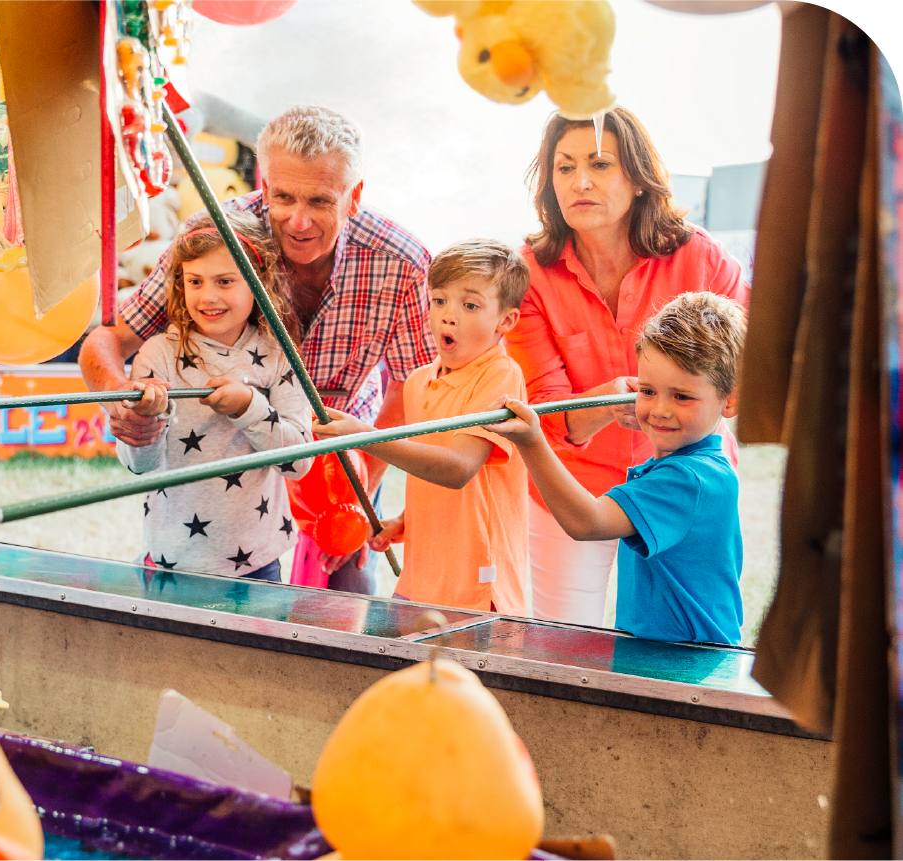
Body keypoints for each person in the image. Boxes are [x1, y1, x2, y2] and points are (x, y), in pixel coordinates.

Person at [82, 105, 434, 594]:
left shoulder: (403, 261)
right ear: (263, 187)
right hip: (234, 452)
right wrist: (121, 399)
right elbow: (107, 339)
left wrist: (359, 496)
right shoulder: (214, 236)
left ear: (354, 196)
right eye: (284, 196)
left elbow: (411, 388)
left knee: (345, 592)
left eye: (320, 200)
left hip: (333, 449)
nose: (298, 219)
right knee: (204, 585)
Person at [506, 106, 750, 626]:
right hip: (572, 488)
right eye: (565, 167)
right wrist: (602, 404)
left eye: (599, 164)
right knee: (562, 647)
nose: (580, 182)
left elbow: (741, 373)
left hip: (683, 479)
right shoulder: (528, 272)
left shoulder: (701, 258)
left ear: (638, 178)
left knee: (680, 638)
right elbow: (546, 411)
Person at [485, 293, 746, 645]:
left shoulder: (689, 479)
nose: (660, 410)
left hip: (685, 667)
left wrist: (533, 442)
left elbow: (587, 522)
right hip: (658, 658)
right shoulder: (683, 467)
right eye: (649, 391)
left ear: (729, 400)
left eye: (681, 397)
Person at [313, 240, 530, 614]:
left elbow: (458, 469)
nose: (448, 315)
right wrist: (403, 522)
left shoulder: (501, 376)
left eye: (470, 305)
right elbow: (428, 472)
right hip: (420, 577)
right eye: (439, 300)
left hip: (476, 587)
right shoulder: (418, 382)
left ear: (506, 321)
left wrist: (364, 435)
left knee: (459, 675)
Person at [115, 212, 314, 581]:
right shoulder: (157, 354)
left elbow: (299, 462)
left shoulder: (278, 353)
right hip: (171, 562)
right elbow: (138, 465)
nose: (208, 297)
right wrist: (146, 421)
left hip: (258, 564)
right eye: (195, 281)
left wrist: (249, 407)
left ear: (258, 283)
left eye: (225, 281)